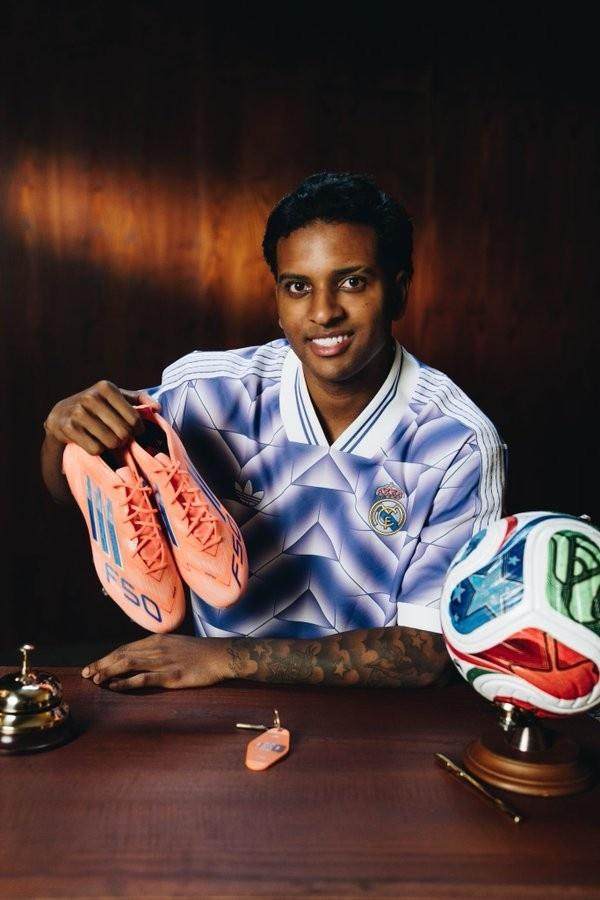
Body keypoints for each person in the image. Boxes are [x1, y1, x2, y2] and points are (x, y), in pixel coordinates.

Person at [41, 172, 505, 692]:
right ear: (278, 300)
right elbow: (68, 487)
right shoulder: (206, 393)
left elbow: (426, 652)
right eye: (298, 287)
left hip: (371, 714)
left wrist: (224, 658)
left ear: (398, 291)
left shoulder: (456, 441)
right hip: (213, 701)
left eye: (353, 282)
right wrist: (63, 433)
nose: (324, 312)